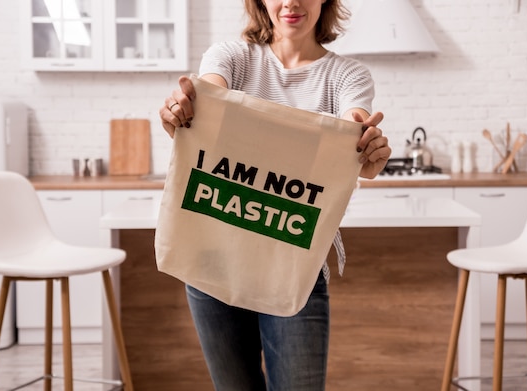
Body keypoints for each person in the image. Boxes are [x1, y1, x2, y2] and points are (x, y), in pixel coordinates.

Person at [158, 0, 391, 389]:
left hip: (294, 264)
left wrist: (365, 150)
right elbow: (208, 109)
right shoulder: (230, 57)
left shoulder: (347, 76)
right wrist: (183, 115)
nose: (292, 2)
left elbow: (354, 126)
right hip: (212, 257)